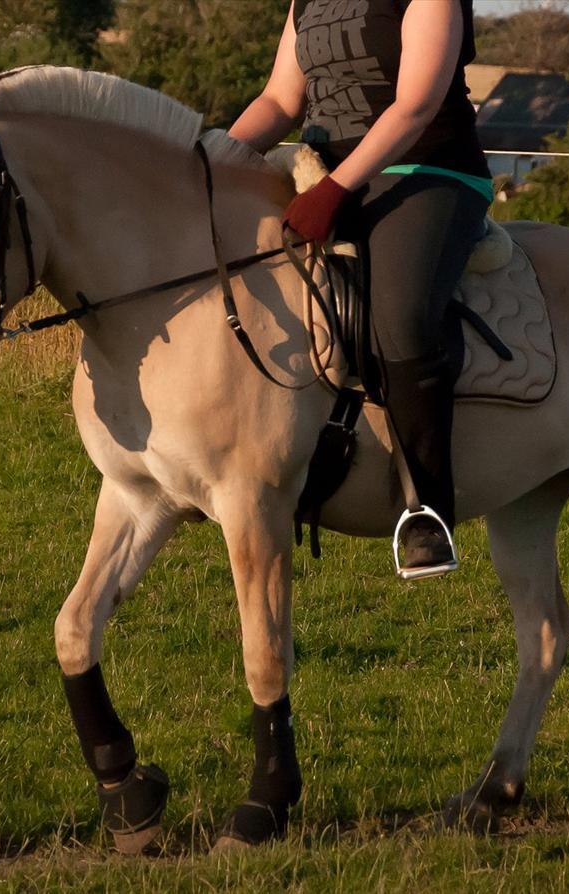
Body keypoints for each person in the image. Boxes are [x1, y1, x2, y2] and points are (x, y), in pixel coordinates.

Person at [230, 0, 492, 577]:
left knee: (399, 317)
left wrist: (336, 190)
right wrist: (210, 159)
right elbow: (279, 102)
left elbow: (416, 105)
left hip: (425, 172)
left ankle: (427, 508)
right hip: (318, 172)